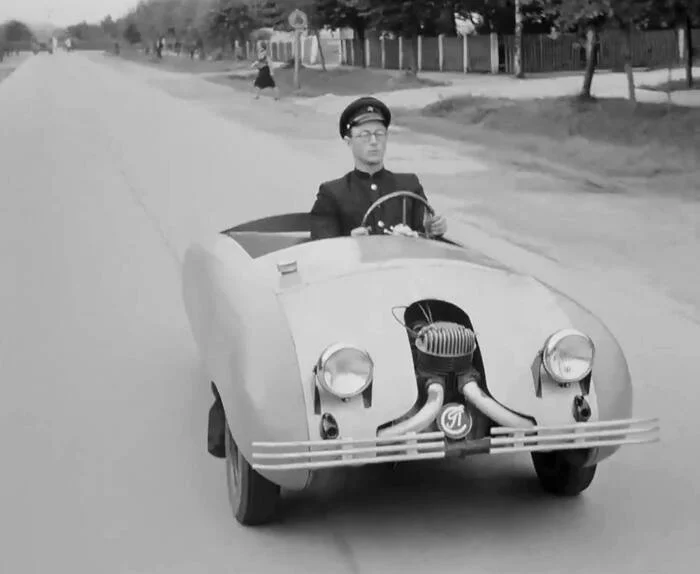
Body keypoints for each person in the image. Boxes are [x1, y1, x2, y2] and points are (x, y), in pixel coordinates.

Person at [310, 96, 447, 240]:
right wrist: (349, 242)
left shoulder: (409, 185)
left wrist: (434, 230)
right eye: (365, 135)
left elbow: (426, 239)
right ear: (349, 141)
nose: (374, 141)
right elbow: (322, 247)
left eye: (379, 134)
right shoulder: (332, 194)